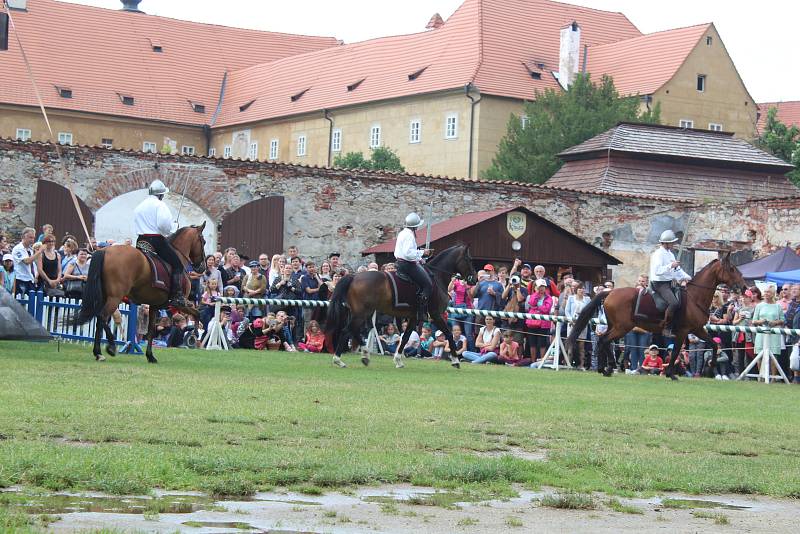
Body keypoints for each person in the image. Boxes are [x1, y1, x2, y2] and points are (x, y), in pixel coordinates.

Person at [133, 179, 186, 307]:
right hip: (155, 240)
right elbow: (163, 225)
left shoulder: (139, 206)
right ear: (161, 195)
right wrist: (173, 228)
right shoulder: (160, 205)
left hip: (141, 240)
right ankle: (176, 295)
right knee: (177, 264)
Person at [649, 230, 691, 336]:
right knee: (674, 303)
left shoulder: (670, 254)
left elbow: (677, 271)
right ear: (666, 243)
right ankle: (666, 327)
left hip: (668, 283)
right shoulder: (658, 254)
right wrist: (671, 266)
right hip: (659, 284)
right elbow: (657, 271)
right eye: (672, 242)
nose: (673, 244)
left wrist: (688, 277)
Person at [394, 212, 433, 318]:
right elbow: (408, 254)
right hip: (407, 265)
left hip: (401, 262)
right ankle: (420, 311)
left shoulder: (402, 233)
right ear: (415, 226)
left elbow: (409, 252)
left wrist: (419, 258)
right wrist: (422, 253)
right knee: (428, 285)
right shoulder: (409, 235)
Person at [11, 227, 42, 296]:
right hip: (21, 279)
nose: (32, 240)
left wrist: (35, 276)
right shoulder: (18, 248)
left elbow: (34, 265)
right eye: (30, 237)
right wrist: (39, 252)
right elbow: (27, 261)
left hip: (30, 280)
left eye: (33, 238)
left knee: (30, 303)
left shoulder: (30, 249)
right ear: (23, 237)